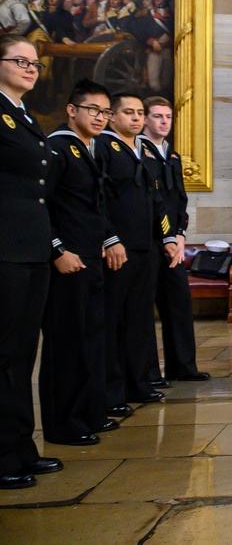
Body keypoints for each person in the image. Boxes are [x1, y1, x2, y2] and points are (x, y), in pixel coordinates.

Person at [40, 79, 122, 446]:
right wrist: (56, 249)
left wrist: (107, 239)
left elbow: (93, 206)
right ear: (72, 110)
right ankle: (64, 424)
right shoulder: (57, 148)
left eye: (106, 111)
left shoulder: (88, 149)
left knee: (91, 337)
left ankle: (90, 412)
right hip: (68, 260)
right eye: (93, 109)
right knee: (67, 343)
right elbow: (41, 205)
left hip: (90, 257)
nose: (101, 117)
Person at [0, 35, 63, 489]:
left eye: (35, 64)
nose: (30, 68)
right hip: (4, 248)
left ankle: (21, 446)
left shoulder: (24, 117)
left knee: (22, 354)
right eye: (19, 61)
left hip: (30, 249)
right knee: (3, 354)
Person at [95, 93, 181, 408]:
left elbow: (156, 200)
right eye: (127, 112)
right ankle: (112, 393)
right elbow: (98, 198)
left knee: (140, 319)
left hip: (146, 248)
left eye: (139, 112)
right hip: (119, 248)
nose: (135, 118)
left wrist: (168, 237)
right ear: (112, 116)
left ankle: (138, 384)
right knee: (114, 321)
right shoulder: (102, 147)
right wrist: (108, 238)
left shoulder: (142, 149)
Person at [139, 96, 210, 382]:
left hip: (173, 244)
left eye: (168, 116)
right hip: (150, 240)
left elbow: (180, 200)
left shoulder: (172, 155)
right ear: (145, 119)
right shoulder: (139, 151)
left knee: (179, 304)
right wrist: (167, 237)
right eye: (157, 116)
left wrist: (180, 236)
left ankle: (183, 367)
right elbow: (150, 201)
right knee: (144, 308)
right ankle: (150, 374)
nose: (164, 121)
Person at [144, 0, 173, 93]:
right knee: (154, 82)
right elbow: (142, 32)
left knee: (167, 81)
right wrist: (152, 42)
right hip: (154, 50)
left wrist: (165, 44)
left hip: (168, 50)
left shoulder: (173, 14)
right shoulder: (147, 14)